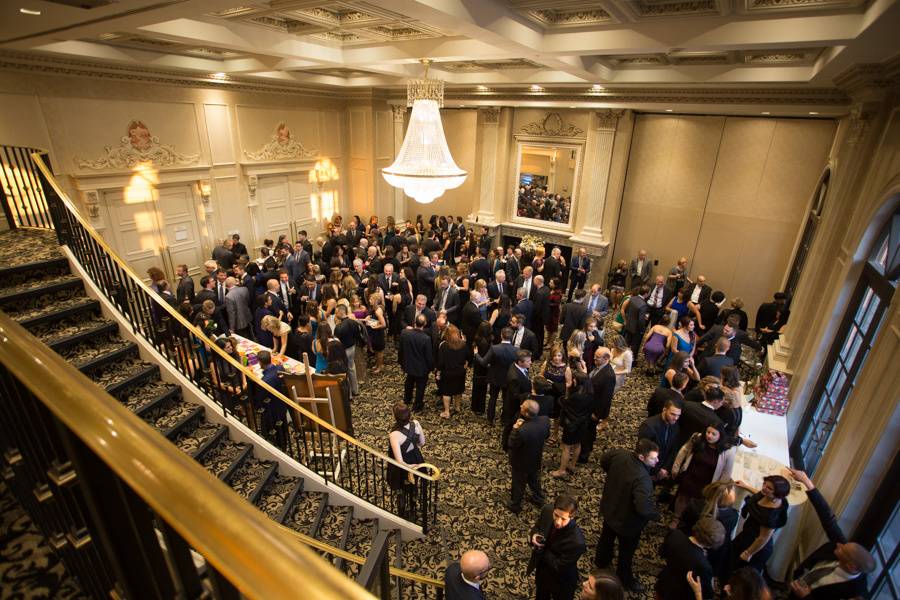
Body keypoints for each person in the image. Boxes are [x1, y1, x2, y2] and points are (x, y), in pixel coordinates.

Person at [787, 469, 875, 600]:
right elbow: (828, 519)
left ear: (851, 566)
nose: (838, 544)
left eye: (842, 549)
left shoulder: (854, 593)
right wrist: (807, 482)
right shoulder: (843, 547)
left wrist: (806, 597)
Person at [596, 438, 661, 592]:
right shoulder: (643, 479)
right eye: (653, 458)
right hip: (627, 523)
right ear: (641, 457)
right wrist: (655, 515)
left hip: (609, 507)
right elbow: (643, 508)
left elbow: (604, 460)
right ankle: (624, 578)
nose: (657, 461)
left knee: (606, 537)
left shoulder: (620, 454)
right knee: (626, 553)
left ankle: (601, 561)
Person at [671, 424, 736, 519]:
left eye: (714, 434)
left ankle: (690, 520)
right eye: (708, 432)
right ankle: (676, 518)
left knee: (700, 503)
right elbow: (684, 450)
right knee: (682, 497)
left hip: (708, 482)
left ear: (720, 436)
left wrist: (720, 487)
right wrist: (676, 467)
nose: (709, 436)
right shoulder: (697, 438)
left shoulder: (728, 450)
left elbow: (727, 471)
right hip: (690, 475)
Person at [529, 494, 587, 600]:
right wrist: (534, 535)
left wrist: (542, 548)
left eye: (563, 519)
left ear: (572, 516)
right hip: (542, 572)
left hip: (561, 581)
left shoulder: (577, 542)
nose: (558, 522)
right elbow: (537, 527)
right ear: (553, 509)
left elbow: (558, 566)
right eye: (556, 515)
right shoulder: (547, 511)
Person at [679, 481, 740, 580]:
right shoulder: (732, 516)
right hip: (715, 552)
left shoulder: (694, 505)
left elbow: (684, 524)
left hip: (690, 544)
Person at [732, 475, 791, 573]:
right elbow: (760, 494)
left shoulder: (770, 515)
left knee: (739, 571)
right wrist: (746, 486)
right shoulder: (770, 496)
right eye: (764, 484)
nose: (764, 488)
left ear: (778, 494)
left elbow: (763, 538)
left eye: (769, 488)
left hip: (754, 546)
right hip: (747, 536)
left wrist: (748, 553)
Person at [656, 518, 726, 600]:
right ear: (710, 545)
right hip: (680, 595)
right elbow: (707, 593)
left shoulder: (675, 534)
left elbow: (662, 552)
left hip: (664, 583)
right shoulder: (704, 565)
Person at [506, 399, 550, 514]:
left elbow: (511, 444)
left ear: (525, 413)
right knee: (534, 479)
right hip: (536, 458)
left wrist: (515, 429)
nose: (520, 405)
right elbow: (547, 435)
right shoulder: (545, 420)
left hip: (520, 461)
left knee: (518, 483)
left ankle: (515, 505)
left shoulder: (521, 430)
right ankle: (538, 498)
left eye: (522, 406)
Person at [386, 402, 426, 520]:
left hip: (404, 465)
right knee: (413, 484)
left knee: (401, 487)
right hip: (415, 457)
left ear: (395, 417)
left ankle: (402, 509)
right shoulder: (416, 424)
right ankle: (413, 505)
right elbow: (422, 443)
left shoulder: (394, 435)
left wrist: (409, 467)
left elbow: (399, 461)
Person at [474, 328, 519, 424]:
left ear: (501, 336)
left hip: (494, 377)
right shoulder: (516, 350)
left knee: (493, 398)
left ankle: (490, 418)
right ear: (511, 337)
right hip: (508, 379)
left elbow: (483, 362)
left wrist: (476, 354)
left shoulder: (494, 348)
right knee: (506, 399)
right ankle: (504, 419)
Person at [579, 347, 615, 463]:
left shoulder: (609, 375)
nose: (594, 358)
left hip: (594, 410)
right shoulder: (599, 367)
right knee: (588, 430)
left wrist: (597, 414)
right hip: (588, 405)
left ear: (606, 359)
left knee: (588, 433)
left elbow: (606, 398)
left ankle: (584, 455)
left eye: (597, 357)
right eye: (595, 355)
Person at [637, 400, 682, 480]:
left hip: (663, 468)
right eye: (673, 414)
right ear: (664, 410)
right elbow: (643, 452)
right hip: (647, 469)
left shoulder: (675, 425)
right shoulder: (648, 426)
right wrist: (657, 471)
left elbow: (673, 448)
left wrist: (665, 468)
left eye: (678, 415)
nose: (676, 418)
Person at [399, 314, 434, 411]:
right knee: (420, 387)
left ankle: (407, 399)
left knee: (409, 382)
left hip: (408, 365)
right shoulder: (426, 338)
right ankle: (417, 406)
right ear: (425, 324)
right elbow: (428, 356)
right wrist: (431, 367)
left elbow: (400, 350)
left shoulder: (404, 333)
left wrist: (401, 363)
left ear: (414, 322)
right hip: (421, 368)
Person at [502, 349, 533, 451]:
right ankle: (506, 446)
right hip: (513, 406)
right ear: (520, 362)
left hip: (514, 401)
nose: (531, 363)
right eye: (528, 361)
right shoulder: (514, 377)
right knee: (510, 425)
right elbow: (515, 396)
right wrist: (529, 394)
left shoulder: (516, 365)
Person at [437, 325, 469, 418]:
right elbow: (468, 357)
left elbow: (441, 362)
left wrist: (438, 372)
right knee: (458, 390)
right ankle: (457, 407)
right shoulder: (463, 344)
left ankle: (447, 412)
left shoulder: (443, 345)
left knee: (447, 392)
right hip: (460, 372)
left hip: (448, 373)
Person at [470, 321, 493, 415]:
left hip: (478, 365)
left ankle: (475, 406)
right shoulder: (488, 341)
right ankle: (480, 408)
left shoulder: (477, 339)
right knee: (482, 389)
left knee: (476, 387)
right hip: (485, 366)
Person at [366, 292, 387, 373]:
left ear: (375, 301)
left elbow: (384, 324)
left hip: (378, 334)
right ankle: (377, 364)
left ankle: (380, 366)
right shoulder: (373, 308)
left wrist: (375, 327)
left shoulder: (378, 311)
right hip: (374, 333)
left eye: (371, 299)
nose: (369, 300)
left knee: (379, 351)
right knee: (376, 350)